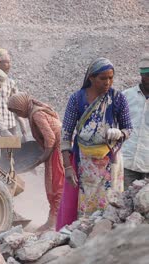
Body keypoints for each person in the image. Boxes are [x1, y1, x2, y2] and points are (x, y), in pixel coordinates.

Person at [56, 58, 132, 230]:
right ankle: (83, 237)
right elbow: (66, 133)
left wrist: (120, 133)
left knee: (110, 205)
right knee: (85, 206)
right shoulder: (77, 99)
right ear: (91, 78)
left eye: (111, 78)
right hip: (85, 163)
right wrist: (67, 167)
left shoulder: (117, 98)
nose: (108, 82)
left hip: (110, 161)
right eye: (103, 78)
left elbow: (129, 128)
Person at [7, 93, 64, 232]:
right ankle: (57, 220)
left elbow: (50, 138)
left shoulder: (36, 115)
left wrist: (42, 158)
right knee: (55, 185)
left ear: (22, 106)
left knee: (56, 186)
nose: (18, 114)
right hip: (59, 148)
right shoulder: (36, 110)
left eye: (17, 111)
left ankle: (54, 222)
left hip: (58, 150)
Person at [122, 53, 149, 189]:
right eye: (147, 75)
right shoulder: (126, 96)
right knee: (124, 204)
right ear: (142, 75)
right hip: (126, 163)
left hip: (147, 165)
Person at [0, 48, 28, 139]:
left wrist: (23, 127)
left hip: (10, 125)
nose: (9, 65)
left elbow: (17, 105)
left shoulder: (11, 83)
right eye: (7, 62)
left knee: (9, 152)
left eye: (10, 62)